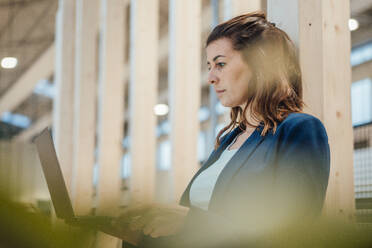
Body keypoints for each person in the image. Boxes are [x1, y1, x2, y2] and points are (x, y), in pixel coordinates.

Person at [119, 11, 330, 248]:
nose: (210, 77)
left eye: (220, 64)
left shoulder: (299, 129)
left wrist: (190, 221)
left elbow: (295, 233)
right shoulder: (230, 140)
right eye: (209, 66)